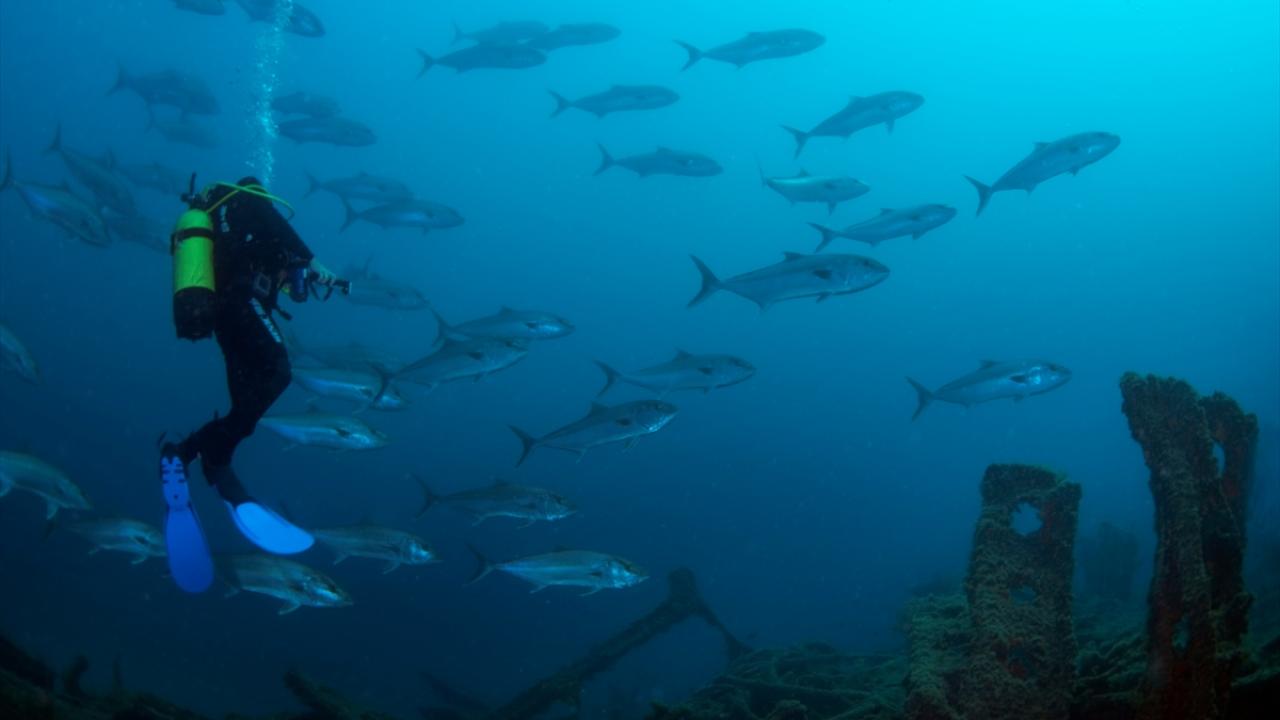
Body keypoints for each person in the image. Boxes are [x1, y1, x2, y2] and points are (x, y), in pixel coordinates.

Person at [160, 177, 338, 563]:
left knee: (246, 399)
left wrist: (303, 273)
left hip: (227, 316)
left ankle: (190, 453)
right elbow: (275, 226)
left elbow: (288, 285)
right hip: (242, 304)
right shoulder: (250, 204)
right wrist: (310, 259)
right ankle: (212, 449)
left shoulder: (241, 234)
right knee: (279, 372)